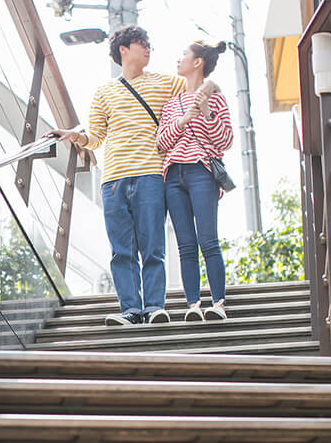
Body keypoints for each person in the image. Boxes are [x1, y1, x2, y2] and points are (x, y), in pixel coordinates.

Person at [53, 25, 214, 325]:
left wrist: (209, 86)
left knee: (153, 247)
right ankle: (130, 309)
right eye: (142, 43)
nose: (149, 49)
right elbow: (96, 138)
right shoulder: (104, 92)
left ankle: (154, 308)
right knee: (121, 251)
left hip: (152, 175)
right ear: (123, 50)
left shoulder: (167, 84)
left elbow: (198, 86)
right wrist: (73, 136)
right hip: (113, 179)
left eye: (149, 43)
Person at [156, 40, 233, 322]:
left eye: (184, 55)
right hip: (173, 175)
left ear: (197, 62)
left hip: (202, 172)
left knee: (208, 240)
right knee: (185, 245)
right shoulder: (172, 104)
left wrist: (207, 113)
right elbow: (161, 143)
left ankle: (219, 304)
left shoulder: (216, 98)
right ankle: (192, 305)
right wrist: (185, 119)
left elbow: (226, 140)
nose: (179, 60)